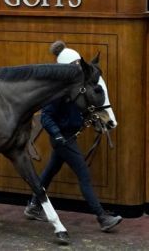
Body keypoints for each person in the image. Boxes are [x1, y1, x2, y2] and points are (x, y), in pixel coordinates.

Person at [23, 41, 122, 233]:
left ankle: (33, 205)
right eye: (76, 65)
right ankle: (102, 217)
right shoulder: (58, 92)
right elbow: (46, 116)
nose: (79, 68)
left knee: (50, 171)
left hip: (67, 136)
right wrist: (58, 136)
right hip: (63, 139)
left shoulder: (75, 87)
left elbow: (78, 109)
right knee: (84, 176)